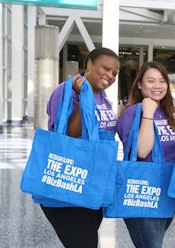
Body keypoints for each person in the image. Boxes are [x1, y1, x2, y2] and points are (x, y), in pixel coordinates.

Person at [42, 47, 120, 248]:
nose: (109, 76)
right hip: (69, 180)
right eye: (105, 68)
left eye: (114, 73)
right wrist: (82, 98)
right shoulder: (66, 91)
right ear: (89, 64)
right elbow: (68, 135)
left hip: (93, 182)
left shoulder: (102, 97)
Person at [117, 61, 175, 248]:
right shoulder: (132, 112)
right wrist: (147, 114)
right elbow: (142, 151)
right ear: (139, 84)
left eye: (162, 81)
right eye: (151, 81)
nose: (157, 86)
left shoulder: (169, 112)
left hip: (168, 191)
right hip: (144, 191)